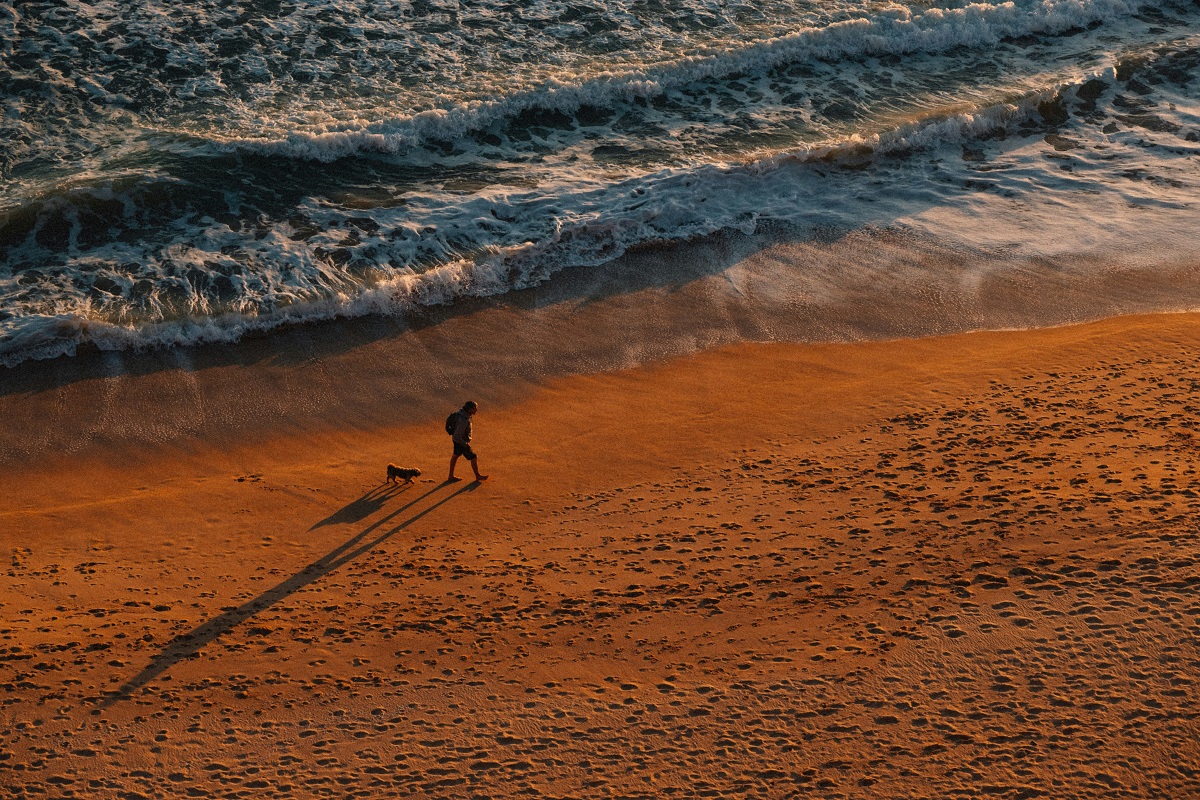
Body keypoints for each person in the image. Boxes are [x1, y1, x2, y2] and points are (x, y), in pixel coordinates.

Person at [447, 400, 488, 483]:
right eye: (475, 409)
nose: (476, 410)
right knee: (473, 456)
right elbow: (457, 435)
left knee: (455, 456)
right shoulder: (463, 420)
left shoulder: (463, 414)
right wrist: (464, 444)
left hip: (457, 441)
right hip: (460, 441)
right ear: (469, 409)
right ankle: (477, 475)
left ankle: (450, 476)